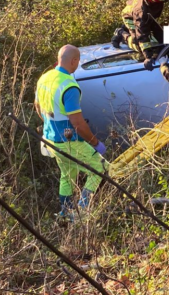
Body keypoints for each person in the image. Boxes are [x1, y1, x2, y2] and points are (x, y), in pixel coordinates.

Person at [34, 45, 107, 218]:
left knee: (67, 175)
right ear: (74, 61)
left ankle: (65, 213)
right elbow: (78, 124)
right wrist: (96, 143)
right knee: (101, 169)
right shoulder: (69, 86)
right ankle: (81, 212)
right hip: (68, 141)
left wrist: (49, 126)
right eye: (78, 61)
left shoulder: (45, 77)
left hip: (50, 139)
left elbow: (37, 106)